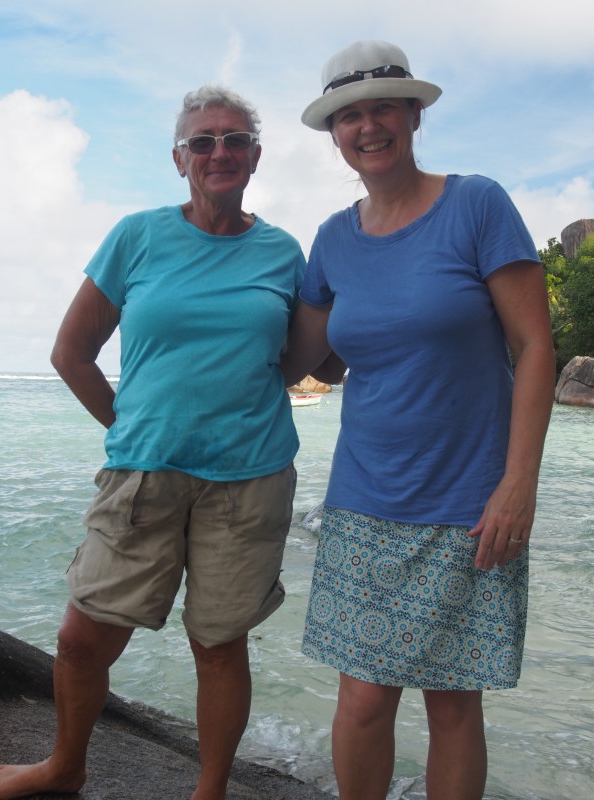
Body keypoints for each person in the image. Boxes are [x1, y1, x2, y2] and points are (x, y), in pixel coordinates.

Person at [0, 85, 304, 800]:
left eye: (233, 140)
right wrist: (126, 426)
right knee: (80, 638)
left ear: (254, 157)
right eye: (203, 141)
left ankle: (211, 789)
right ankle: (63, 768)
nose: (218, 152)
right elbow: (71, 352)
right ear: (179, 159)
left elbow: (302, 361)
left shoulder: (283, 252)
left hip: (249, 479)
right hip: (143, 473)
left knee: (220, 647)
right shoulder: (137, 235)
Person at [280, 40, 556, 800]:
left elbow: (536, 346)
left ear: (414, 114)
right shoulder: (333, 238)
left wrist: (518, 483)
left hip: (471, 501)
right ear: (334, 135)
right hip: (365, 495)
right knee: (363, 702)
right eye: (349, 117)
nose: (367, 127)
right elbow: (301, 357)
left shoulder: (477, 203)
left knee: (453, 702)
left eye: (382, 109)